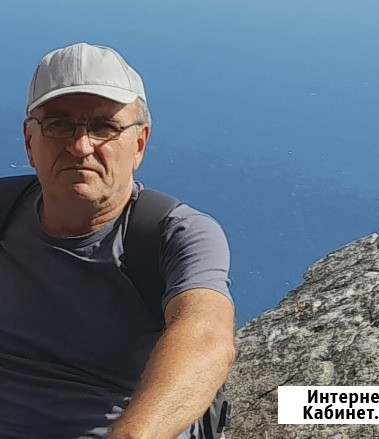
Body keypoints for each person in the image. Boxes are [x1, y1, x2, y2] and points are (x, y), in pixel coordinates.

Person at [0, 42, 235, 439]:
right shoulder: (5, 210)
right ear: (29, 141)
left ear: (139, 143)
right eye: (58, 125)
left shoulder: (174, 234)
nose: (81, 146)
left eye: (104, 127)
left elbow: (205, 338)